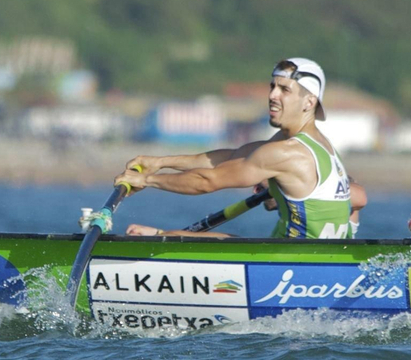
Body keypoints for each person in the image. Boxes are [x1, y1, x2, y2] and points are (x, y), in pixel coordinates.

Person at [114, 58, 355, 239]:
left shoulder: (287, 153)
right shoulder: (320, 145)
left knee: (215, 242)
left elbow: (206, 181)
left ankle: (159, 237)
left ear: (309, 101)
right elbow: (230, 157)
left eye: (284, 90)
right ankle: (161, 235)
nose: (272, 95)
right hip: (297, 260)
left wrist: (148, 181)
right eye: (272, 86)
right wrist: (160, 162)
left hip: (293, 270)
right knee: (223, 240)